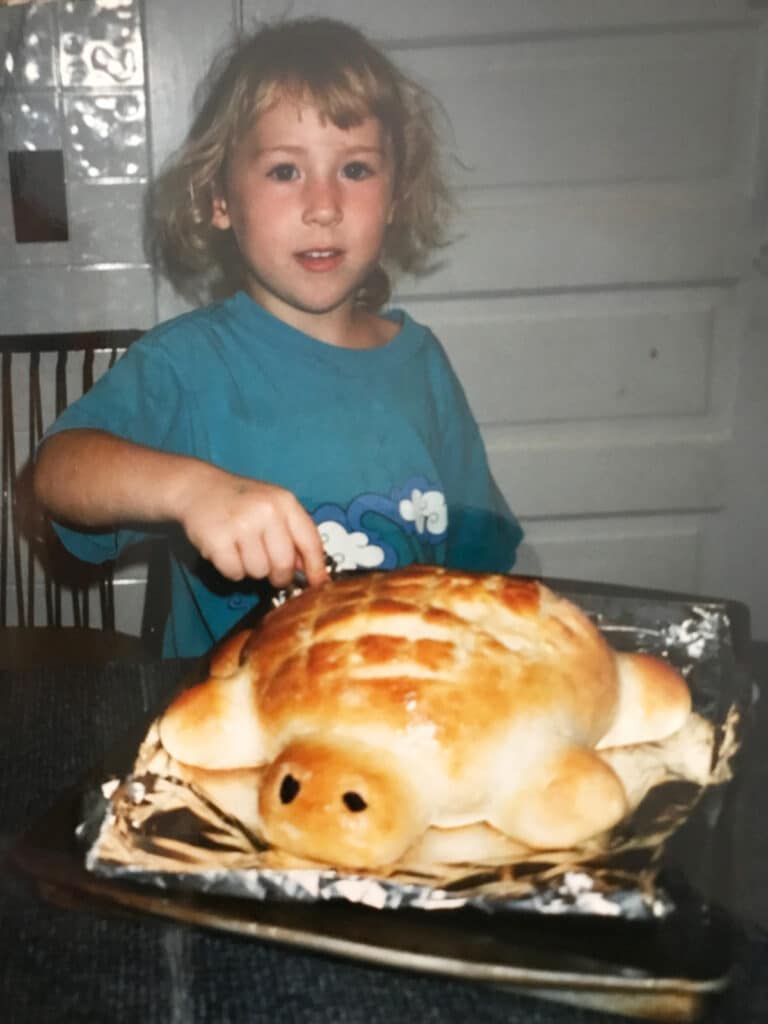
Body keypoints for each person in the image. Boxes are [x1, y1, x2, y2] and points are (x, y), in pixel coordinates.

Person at [33, 16, 523, 658]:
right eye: (285, 172)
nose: (324, 206)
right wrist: (192, 490)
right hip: (246, 726)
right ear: (219, 200)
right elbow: (58, 470)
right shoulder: (186, 364)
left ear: (397, 195)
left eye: (355, 169)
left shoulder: (422, 362)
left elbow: (479, 556)